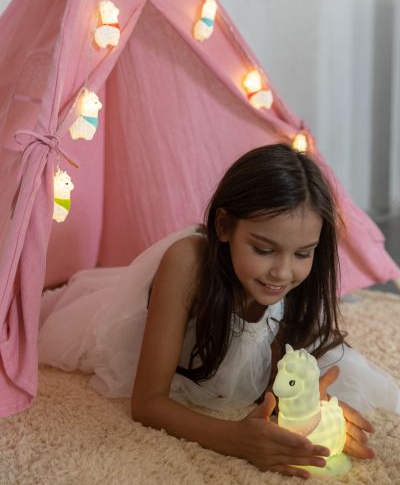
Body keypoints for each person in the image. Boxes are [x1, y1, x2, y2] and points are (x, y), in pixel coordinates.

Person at [39, 143, 400, 479]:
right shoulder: (187, 264)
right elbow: (147, 403)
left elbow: (274, 379)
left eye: (303, 254)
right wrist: (236, 439)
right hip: (136, 322)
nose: (282, 272)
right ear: (224, 226)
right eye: (263, 250)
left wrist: (308, 408)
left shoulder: (294, 284)